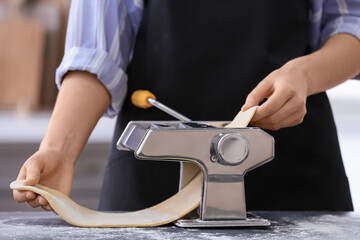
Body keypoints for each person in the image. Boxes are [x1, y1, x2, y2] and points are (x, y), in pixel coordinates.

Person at [13, 0, 360, 212]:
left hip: (293, 175)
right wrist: (58, 150)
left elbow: (352, 24)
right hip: (150, 181)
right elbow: (95, 54)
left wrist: (305, 74)